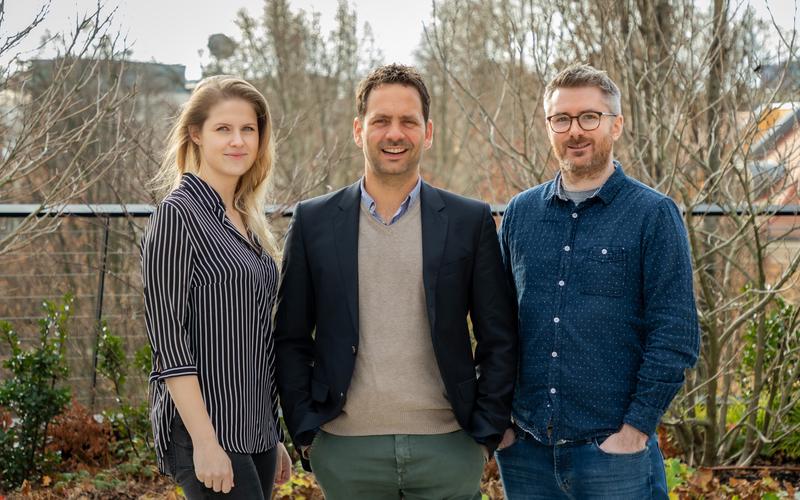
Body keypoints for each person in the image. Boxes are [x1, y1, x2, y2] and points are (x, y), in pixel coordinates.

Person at [273, 63, 517, 499]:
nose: (394, 133)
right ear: (357, 129)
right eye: (381, 120)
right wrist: (308, 434)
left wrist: (483, 434)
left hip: (448, 446)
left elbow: (498, 336)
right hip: (345, 449)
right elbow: (290, 336)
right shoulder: (314, 221)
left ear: (428, 132)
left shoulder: (468, 220)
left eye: (408, 121)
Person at [495, 64, 700, 499]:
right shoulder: (520, 214)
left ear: (617, 124)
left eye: (590, 117)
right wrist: (500, 424)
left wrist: (634, 431)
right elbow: (496, 325)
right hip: (526, 452)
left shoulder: (653, 215)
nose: (575, 131)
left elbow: (676, 334)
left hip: (614, 456)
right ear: (549, 127)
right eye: (561, 119)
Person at [141, 75, 291, 499]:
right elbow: (169, 342)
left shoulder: (247, 221)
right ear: (195, 134)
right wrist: (205, 443)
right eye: (223, 129)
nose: (238, 141)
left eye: (248, 129)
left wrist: (272, 432)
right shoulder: (178, 217)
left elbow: (256, 337)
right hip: (204, 431)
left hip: (255, 429)